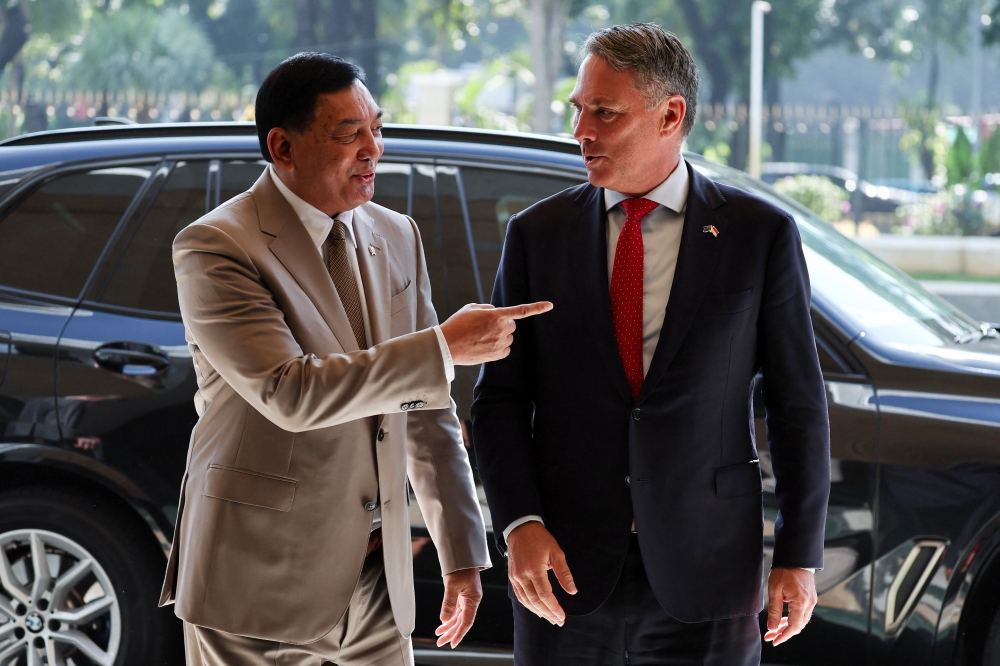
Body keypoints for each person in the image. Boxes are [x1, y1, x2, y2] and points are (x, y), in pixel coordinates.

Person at [159, 53, 551, 666]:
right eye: (349, 134)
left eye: (376, 127)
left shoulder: (396, 234)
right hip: (256, 581)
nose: (374, 148)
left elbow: (426, 408)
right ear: (282, 147)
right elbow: (291, 393)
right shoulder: (215, 245)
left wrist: (462, 555)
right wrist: (444, 346)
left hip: (377, 584)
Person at [471, 24, 831, 666]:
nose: (583, 130)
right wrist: (520, 522)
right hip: (565, 572)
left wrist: (799, 556)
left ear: (671, 114)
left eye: (604, 113)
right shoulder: (537, 235)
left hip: (710, 574)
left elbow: (797, 405)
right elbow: (498, 401)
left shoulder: (759, 235)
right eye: (578, 109)